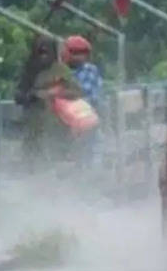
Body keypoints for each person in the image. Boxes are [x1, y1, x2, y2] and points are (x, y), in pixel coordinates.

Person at [14, 35, 85, 172]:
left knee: (57, 163)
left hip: (57, 125)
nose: (43, 56)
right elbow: (18, 95)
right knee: (34, 162)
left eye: (47, 52)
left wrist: (53, 93)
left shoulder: (60, 70)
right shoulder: (29, 70)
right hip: (34, 125)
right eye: (40, 52)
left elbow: (77, 92)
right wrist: (32, 95)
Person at [63, 35, 103, 109]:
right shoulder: (59, 70)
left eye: (82, 53)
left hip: (86, 111)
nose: (79, 56)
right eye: (75, 53)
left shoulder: (90, 70)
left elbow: (84, 95)